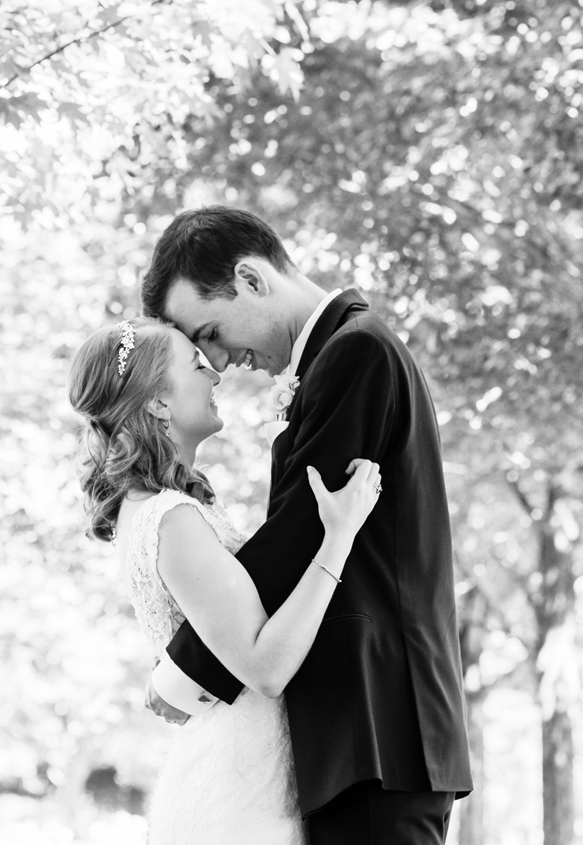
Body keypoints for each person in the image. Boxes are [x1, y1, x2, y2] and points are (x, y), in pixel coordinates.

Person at [141, 206, 471, 845]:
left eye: (210, 331)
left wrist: (184, 670)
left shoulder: (357, 353)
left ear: (251, 279)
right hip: (364, 737)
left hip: (379, 728)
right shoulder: (344, 352)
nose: (219, 360)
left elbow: (298, 535)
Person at [70, 315, 385, 843]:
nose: (215, 376)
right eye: (197, 365)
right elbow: (265, 666)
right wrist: (340, 535)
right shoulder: (171, 518)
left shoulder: (163, 508)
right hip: (239, 788)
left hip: (248, 766)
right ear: (157, 402)